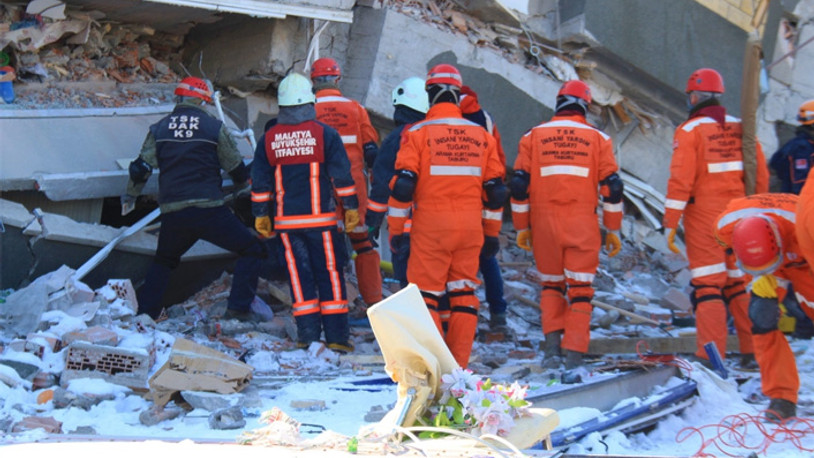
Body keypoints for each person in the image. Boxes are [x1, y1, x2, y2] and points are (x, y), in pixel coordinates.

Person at [386, 63, 506, 367]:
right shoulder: (481, 135)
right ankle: (459, 370)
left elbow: (402, 189)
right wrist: (491, 234)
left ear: (430, 95)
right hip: (470, 229)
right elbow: (495, 193)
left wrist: (396, 231)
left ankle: (436, 366)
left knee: (426, 296)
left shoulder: (417, 133)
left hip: (431, 227)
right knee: (463, 293)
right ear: (457, 96)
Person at [123, 76, 267, 320]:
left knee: (164, 261)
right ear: (202, 101)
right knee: (253, 249)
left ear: (178, 98)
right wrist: (247, 185)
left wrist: (130, 197)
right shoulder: (213, 127)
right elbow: (235, 168)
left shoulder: (159, 128)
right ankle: (238, 309)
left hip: (174, 212)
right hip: (209, 210)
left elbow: (140, 168)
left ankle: (146, 315)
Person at [509, 79, 623, 373]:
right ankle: (573, 355)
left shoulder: (533, 136)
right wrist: (612, 229)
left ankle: (551, 351)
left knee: (551, 286)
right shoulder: (599, 139)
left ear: (559, 103)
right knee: (580, 290)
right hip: (582, 222)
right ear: (585, 106)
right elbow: (612, 188)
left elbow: (519, 186)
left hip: (543, 223)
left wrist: (522, 227)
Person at [662, 68, 768, 364]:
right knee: (737, 285)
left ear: (694, 96)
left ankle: (710, 357)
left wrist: (670, 222)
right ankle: (752, 352)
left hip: (705, 220)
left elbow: (680, 182)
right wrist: (756, 210)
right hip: (741, 218)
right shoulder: (742, 128)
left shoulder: (689, 131)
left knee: (708, 286)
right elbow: (759, 174)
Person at [250, 72, 360, 352]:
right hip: (321, 222)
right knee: (330, 275)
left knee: (299, 277)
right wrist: (350, 208)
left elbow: (260, 182)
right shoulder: (326, 134)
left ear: (282, 106)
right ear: (310, 103)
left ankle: (307, 336)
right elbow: (342, 177)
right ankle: (336, 337)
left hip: (287, 224)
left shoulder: (269, 138)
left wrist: (261, 214)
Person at [714, 193, 814, 421]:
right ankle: (781, 397)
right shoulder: (725, 225)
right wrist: (762, 272)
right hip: (765, 268)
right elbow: (727, 248)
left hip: (805, 256)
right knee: (762, 317)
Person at [311, 57, 382, 307]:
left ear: (313, 81)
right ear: (338, 79)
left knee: (328, 247)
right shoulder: (355, 108)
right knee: (363, 244)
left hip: (320, 187)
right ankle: (374, 303)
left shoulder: (307, 109)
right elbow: (371, 150)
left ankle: (333, 304)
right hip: (354, 187)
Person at [366, 76, 428, 288]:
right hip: (440, 227)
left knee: (409, 286)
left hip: (406, 230)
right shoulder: (438, 135)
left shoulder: (398, 138)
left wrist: (373, 222)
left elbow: (382, 185)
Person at [460, 85, 510, 333]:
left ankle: (455, 320)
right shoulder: (484, 118)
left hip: (452, 200)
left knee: (456, 263)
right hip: (483, 196)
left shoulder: (438, 117)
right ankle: (498, 315)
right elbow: (498, 161)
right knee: (487, 256)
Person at [770, 100, 814, 194]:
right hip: (799, 203)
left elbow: (775, 162)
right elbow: (800, 185)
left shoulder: (799, 143)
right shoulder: (802, 148)